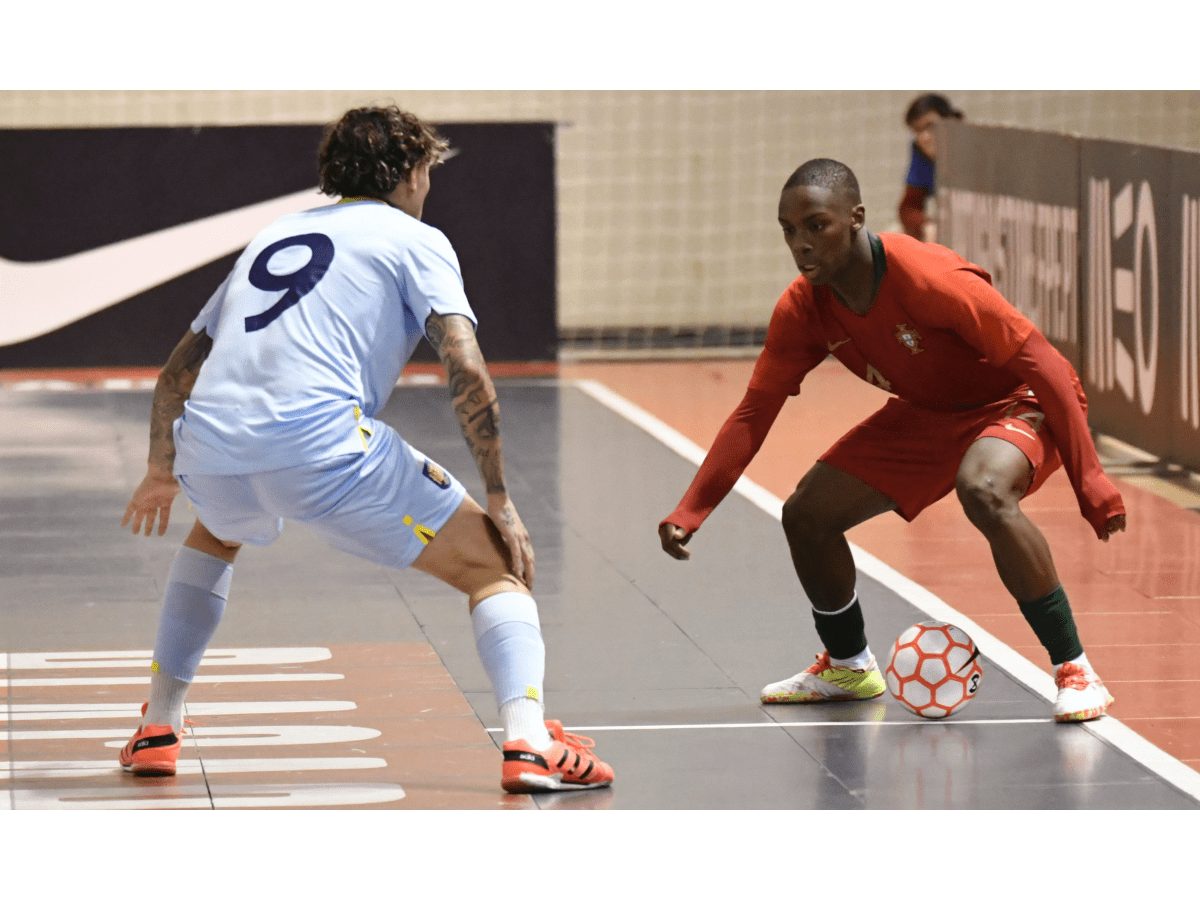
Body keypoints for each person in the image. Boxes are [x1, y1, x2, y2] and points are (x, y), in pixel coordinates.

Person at [118, 105, 613, 794]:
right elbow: (466, 368)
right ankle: (529, 741)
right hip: (320, 447)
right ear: (411, 172)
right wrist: (499, 496)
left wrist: (158, 470)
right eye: (427, 172)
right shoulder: (415, 238)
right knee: (497, 568)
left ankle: (159, 726)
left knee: (214, 534)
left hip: (209, 444)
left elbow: (180, 367)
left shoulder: (275, 235)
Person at [659, 158, 1126, 724]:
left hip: (1020, 398)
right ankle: (849, 666)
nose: (800, 244)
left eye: (816, 225)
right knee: (807, 515)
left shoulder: (929, 278)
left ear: (855, 218)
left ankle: (1074, 669)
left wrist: (1091, 479)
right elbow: (755, 411)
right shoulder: (804, 307)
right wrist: (693, 507)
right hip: (930, 413)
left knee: (983, 489)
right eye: (788, 230)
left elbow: (1046, 366)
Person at [898, 92, 963, 243]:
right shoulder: (921, 154)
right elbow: (908, 206)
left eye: (930, 126)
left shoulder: (973, 150)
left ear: (952, 121)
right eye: (918, 130)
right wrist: (925, 225)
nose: (924, 137)